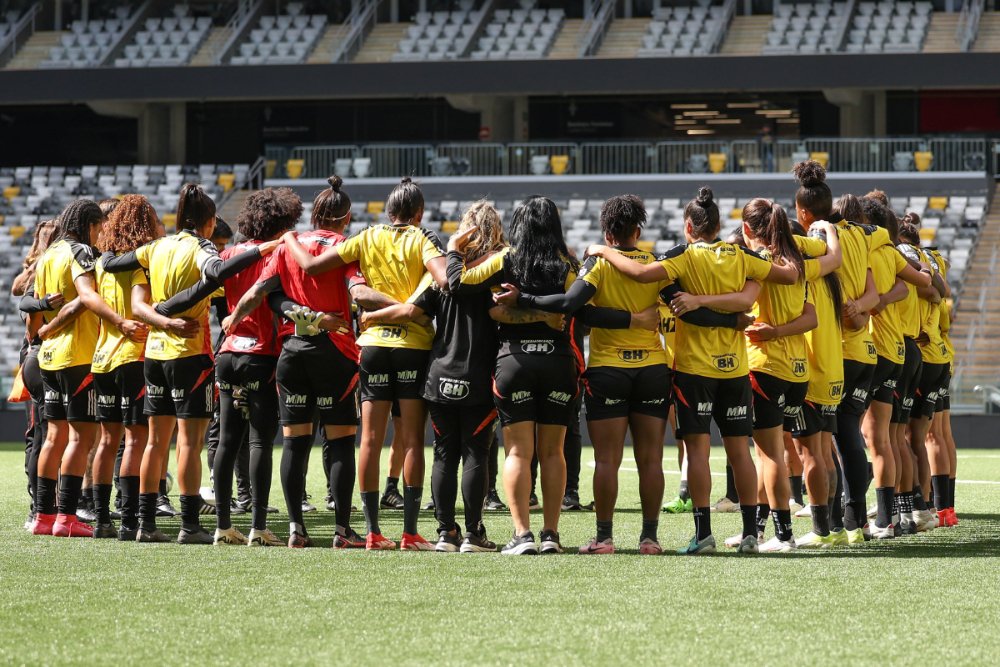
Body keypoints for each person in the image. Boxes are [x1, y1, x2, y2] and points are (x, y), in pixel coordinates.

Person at [500, 195, 744, 555]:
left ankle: (604, 538)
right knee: (651, 458)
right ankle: (650, 538)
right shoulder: (657, 266)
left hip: (608, 370)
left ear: (606, 232)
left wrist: (523, 300)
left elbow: (572, 307)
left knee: (608, 459)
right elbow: (687, 310)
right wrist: (733, 321)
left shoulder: (598, 265)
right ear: (638, 229)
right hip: (652, 370)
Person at [586, 187, 799, 555]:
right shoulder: (742, 256)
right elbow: (788, 278)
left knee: (697, 453)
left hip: (694, 370)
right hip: (735, 369)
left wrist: (603, 250)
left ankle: (703, 536)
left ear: (688, 226)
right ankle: (751, 534)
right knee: (740, 452)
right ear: (719, 225)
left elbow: (639, 273)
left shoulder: (682, 257)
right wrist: (743, 296)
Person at [450, 196, 646, 555]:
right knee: (554, 451)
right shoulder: (569, 264)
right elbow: (581, 312)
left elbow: (458, 283)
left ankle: (521, 535)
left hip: (514, 363)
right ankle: (550, 535)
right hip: (558, 364)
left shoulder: (504, 260)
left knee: (518, 453)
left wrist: (451, 248)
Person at [360, 201, 556, 552]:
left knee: (444, 455)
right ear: (496, 230)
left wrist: (373, 318)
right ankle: (472, 533)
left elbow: (411, 311)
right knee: (477, 454)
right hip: (480, 375)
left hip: (438, 376)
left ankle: (444, 533)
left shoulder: (439, 274)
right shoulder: (501, 270)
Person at [280, 177, 447, 551]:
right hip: (412, 347)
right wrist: (413, 309)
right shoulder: (421, 239)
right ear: (418, 213)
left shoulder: (367, 237)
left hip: (370, 346)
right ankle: (409, 533)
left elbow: (311, 265)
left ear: (389, 211)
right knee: (410, 442)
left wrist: (289, 236)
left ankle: (371, 532)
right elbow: (443, 278)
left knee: (369, 440)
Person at [102, 184, 276, 543]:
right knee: (188, 445)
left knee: (155, 442)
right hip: (188, 355)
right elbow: (217, 271)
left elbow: (110, 262)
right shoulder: (201, 246)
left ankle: (145, 526)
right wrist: (263, 248)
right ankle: (189, 526)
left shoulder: (156, 247)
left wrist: (161, 313)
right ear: (209, 222)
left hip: (153, 355)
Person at [224, 176, 365, 548]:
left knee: (293, 443)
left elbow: (258, 292)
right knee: (339, 441)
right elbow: (357, 294)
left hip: (292, 355)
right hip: (335, 352)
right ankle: (342, 531)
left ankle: (296, 530)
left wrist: (233, 318)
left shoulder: (288, 246)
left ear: (314, 214)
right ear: (345, 218)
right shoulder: (347, 247)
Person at [30, 200, 146, 538]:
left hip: (49, 355)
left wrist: (43, 332)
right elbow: (87, 296)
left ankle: (43, 516)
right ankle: (67, 516)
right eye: (99, 228)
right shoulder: (80, 251)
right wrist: (121, 322)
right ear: (90, 225)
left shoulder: (48, 254)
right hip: (78, 355)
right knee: (82, 437)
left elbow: (38, 308)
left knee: (54, 437)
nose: (100, 236)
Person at [732, 199, 841, 552]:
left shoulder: (755, 264)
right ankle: (763, 530)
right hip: (798, 372)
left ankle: (783, 536)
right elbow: (811, 318)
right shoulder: (798, 263)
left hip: (764, 367)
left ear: (748, 230)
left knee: (769, 456)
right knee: (795, 453)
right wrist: (779, 331)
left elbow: (739, 305)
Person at [792, 163, 884, 545]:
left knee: (828, 439)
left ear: (801, 211)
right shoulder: (860, 236)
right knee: (847, 437)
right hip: (866, 350)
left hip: (835, 349)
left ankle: (834, 524)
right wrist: (859, 308)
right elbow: (873, 294)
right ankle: (856, 521)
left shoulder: (815, 235)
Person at [859, 197, 931, 538]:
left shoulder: (870, 252)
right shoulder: (894, 252)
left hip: (879, 349)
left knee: (874, 437)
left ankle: (880, 517)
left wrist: (875, 300)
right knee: (893, 437)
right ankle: (902, 514)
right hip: (905, 348)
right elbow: (923, 284)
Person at [91, 195, 159, 539]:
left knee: (106, 441)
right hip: (134, 356)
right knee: (135, 441)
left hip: (102, 358)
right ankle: (131, 521)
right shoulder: (140, 264)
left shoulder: (102, 264)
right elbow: (142, 306)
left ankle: (101, 519)